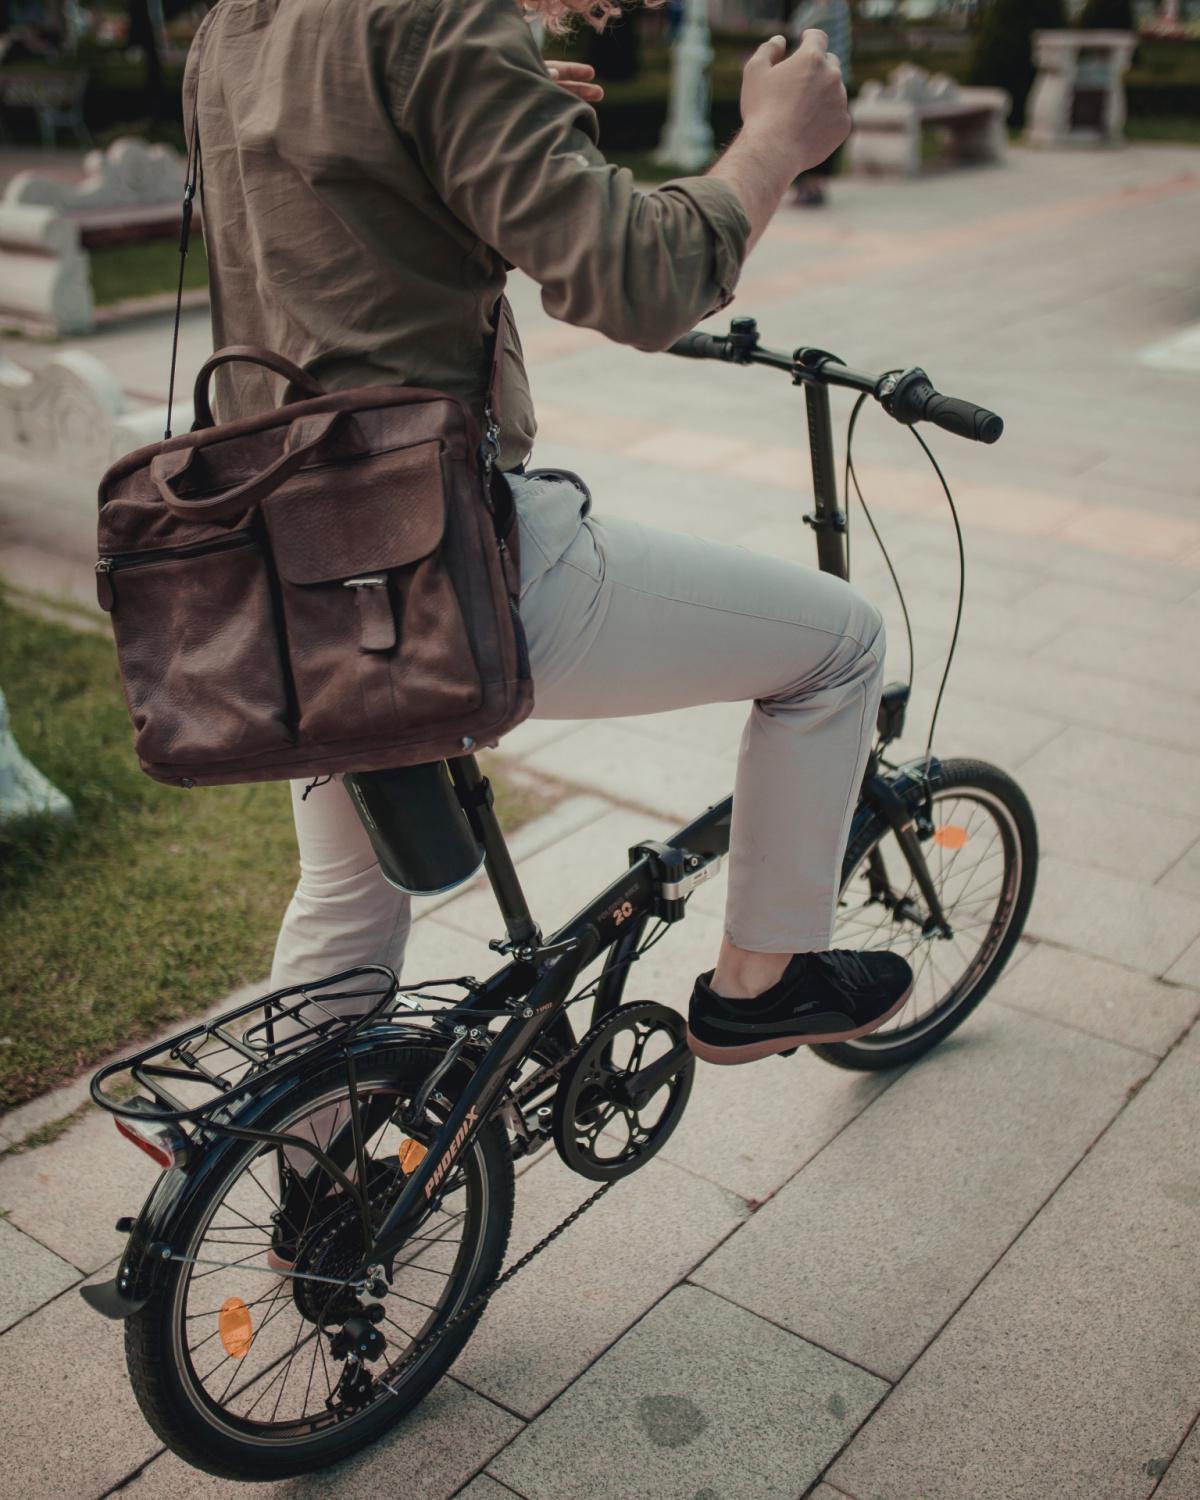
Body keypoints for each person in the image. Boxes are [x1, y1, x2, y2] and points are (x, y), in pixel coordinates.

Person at [182, 0, 912, 1073]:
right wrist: (776, 141)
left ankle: (304, 1178)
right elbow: (639, 280)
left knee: (349, 885)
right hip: (446, 563)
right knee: (841, 644)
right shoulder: (435, 16)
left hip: (292, 551)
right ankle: (764, 980)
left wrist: (463, 139)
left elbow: (330, 236)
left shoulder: (233, 19)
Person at [788, 0, 852, 206]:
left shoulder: (835, 7)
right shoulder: (810, 6)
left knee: (823, 131)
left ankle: (816, 186)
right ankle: (806, 185)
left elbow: (802, 29)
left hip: (831, 77)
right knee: (804, 132)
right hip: (808, 79)